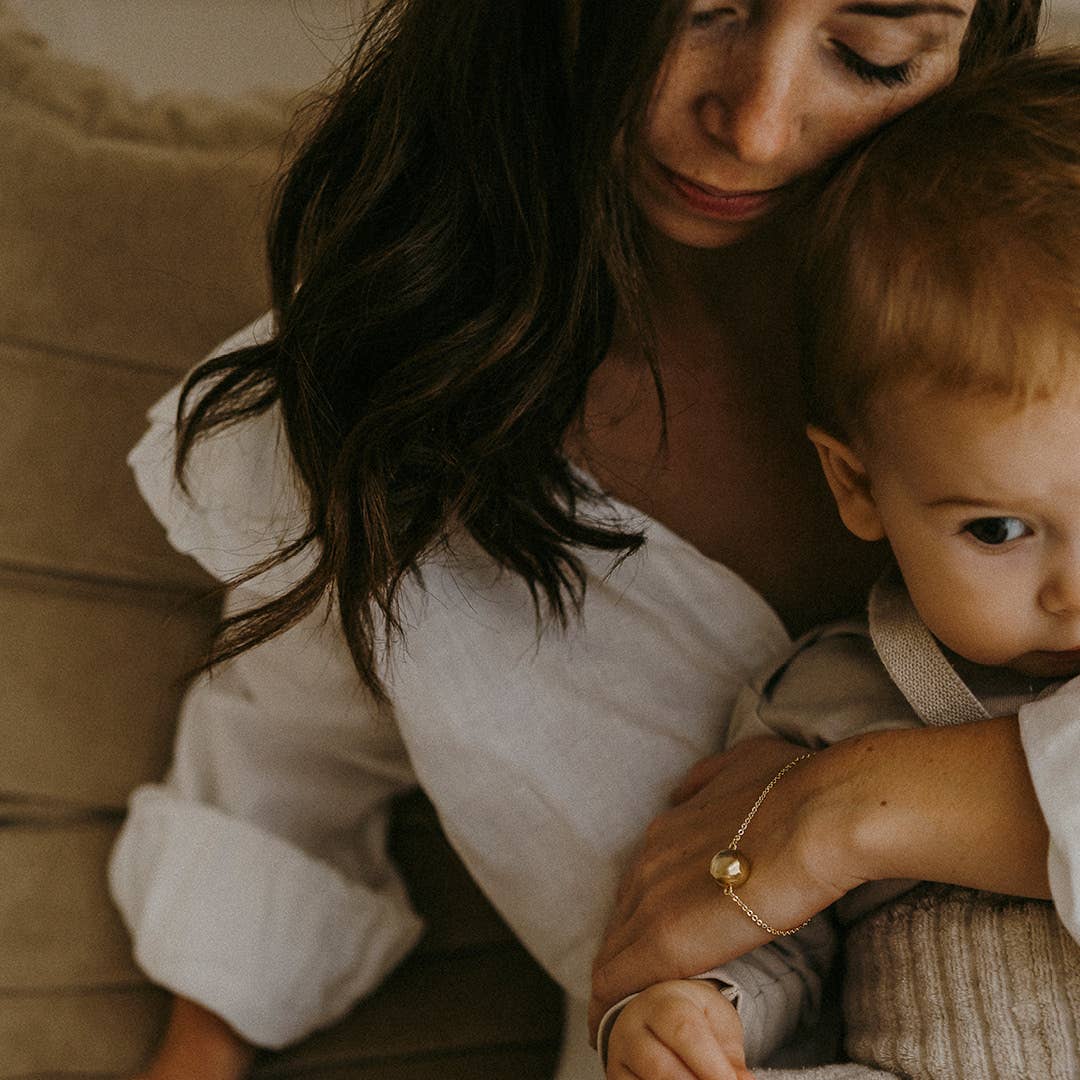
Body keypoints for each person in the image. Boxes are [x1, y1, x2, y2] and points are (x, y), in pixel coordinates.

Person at [106, 2, 1060, 1078]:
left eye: (869, 55)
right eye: (698, 14)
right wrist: (203, 1038)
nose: (755, 124)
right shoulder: (391, 400)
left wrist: (842, 812)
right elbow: (297, 731)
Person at [601, 48, 1080, 1080]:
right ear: (857, 486)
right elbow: (756, 928)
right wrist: (696, 1007)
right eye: (997, 530)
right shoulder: (825, 698)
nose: (1074, 592)